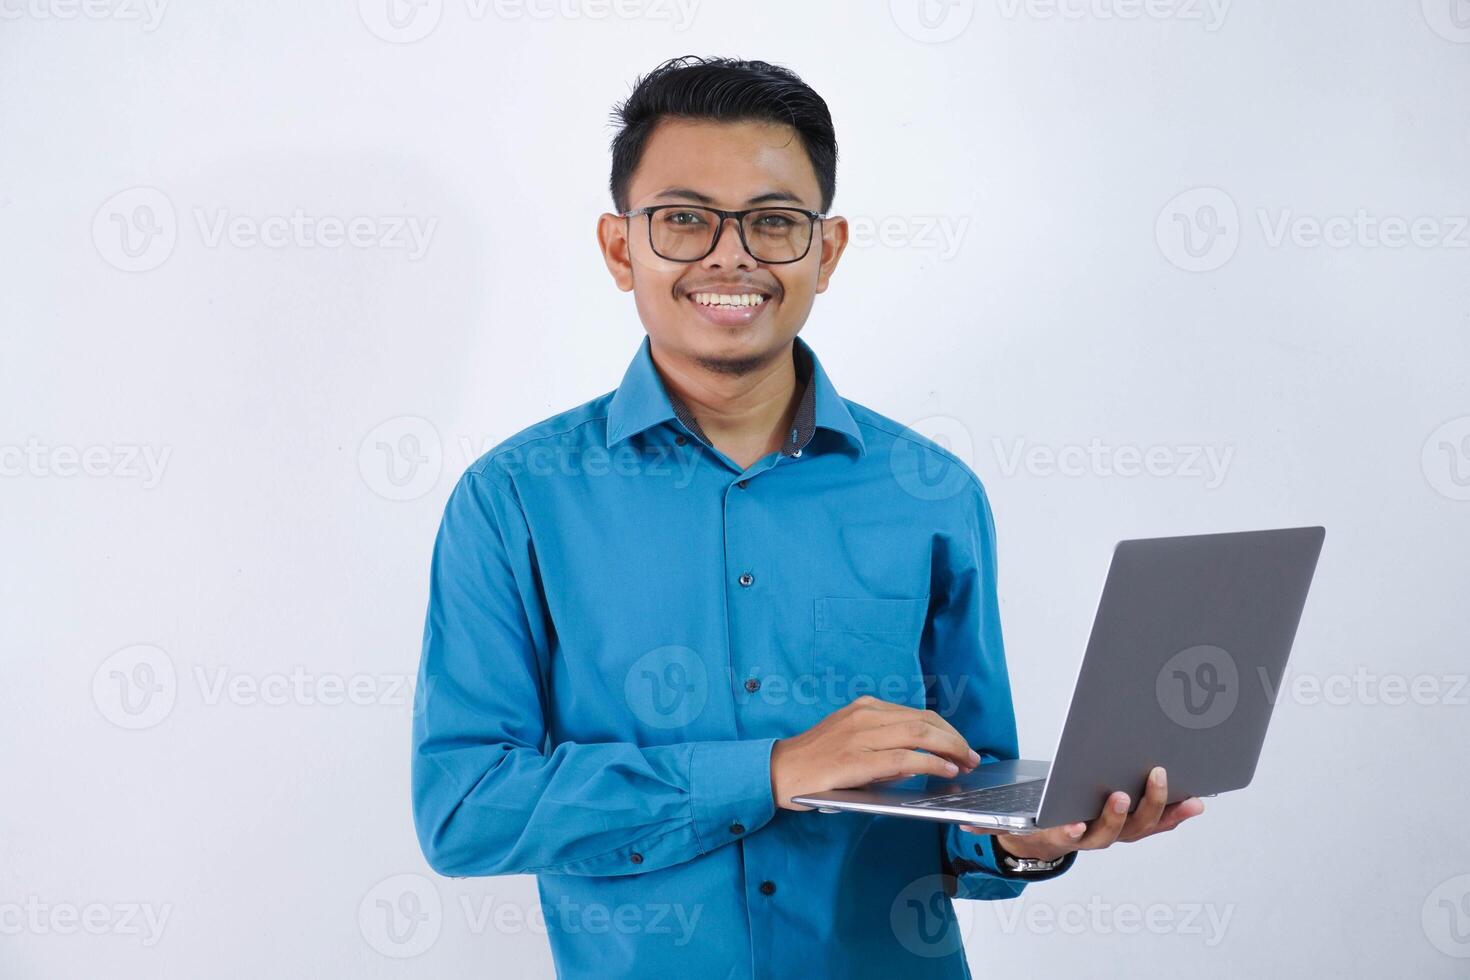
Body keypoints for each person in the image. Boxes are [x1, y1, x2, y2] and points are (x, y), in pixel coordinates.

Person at [411, 55, 1203, 979]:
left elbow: (967, 798)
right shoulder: (515, 499)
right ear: (622, 247)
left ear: (825, 252)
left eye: (774, 222)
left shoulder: (931, 492)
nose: (730, 255)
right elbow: (464, 809)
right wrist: (771, 770)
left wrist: (1031, 840)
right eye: (683, 219)